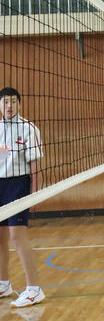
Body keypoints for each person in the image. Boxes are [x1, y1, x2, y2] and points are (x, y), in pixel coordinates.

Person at [0, 87, 45, 308]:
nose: (9, 106)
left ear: (20, 104)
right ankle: (3, 284)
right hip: (0, 185)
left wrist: (35, 193)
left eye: (13, 102)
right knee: (0, 238)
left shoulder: (28, 129)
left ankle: (34, 289)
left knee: (17, 236)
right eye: (5, 102)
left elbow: (34, 164)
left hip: (18, 185)